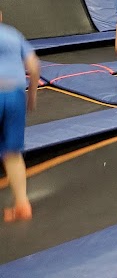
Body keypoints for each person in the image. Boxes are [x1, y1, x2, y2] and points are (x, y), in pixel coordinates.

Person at [0, 11, 40, 222]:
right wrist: (31, 96)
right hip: (15, 95)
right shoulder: (13, 34)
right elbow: (34, 67)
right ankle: (22, 204)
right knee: (13, 153)